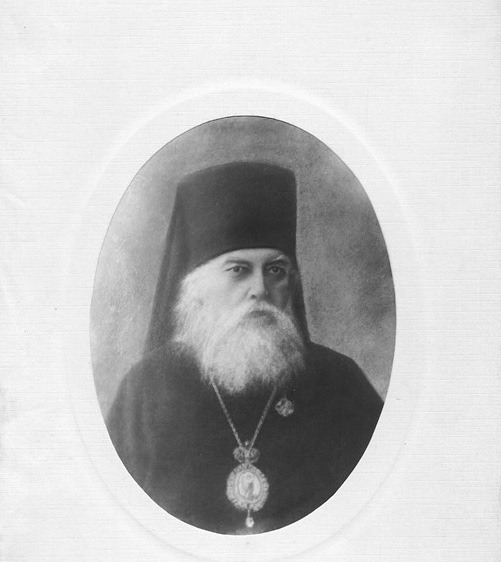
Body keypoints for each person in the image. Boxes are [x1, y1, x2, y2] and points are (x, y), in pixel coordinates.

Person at [107, 161, 383, 535]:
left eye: (276, 270)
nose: (260, 290)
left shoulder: (341, 384)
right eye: (238, 270)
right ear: (196, 288)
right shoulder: (146, 390)